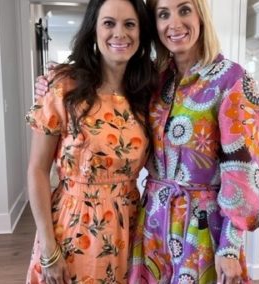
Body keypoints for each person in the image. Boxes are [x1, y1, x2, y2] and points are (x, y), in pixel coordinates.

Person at [35, 0, 259, 283]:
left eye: (184, 10)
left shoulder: (232, 80)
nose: (174, 23)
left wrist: (230, 248)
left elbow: (243, 170)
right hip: (149, 226)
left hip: (200, 230)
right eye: (163, 14)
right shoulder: (153, 82)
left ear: (201, 16)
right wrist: (55, 80)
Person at [25, 0, 157, 283]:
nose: (119, 33)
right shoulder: (64, 87)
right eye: (109, 23)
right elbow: (37, 170)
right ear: (93, 30)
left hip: (129, 229)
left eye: (129, 24)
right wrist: (49, 248)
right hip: (73, 230)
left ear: (141, 33)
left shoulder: (147, 92)